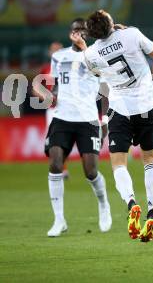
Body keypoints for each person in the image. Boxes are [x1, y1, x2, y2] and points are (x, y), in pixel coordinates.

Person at [70, 10, 153, 242]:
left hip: (120, 110)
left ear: (91, 33)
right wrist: (125, 32)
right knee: (150, 159)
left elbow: (95, 71)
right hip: (147, 105)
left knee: (118, 163)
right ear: (112, 23)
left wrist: (84, 47)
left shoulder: (90, 53)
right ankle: (152, 210)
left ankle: (131, 203)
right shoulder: (131, 34)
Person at [34, 18, 112, 237]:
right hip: (62, 118)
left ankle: (104, 204)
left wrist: (104, 119)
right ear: (70, 34)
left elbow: (105, 88)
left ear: (87, 34)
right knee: (56, 164)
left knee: (91, 171)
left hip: (87, 119)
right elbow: (55, 85)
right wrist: (48, 94)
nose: (79, 34)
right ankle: (59, 220)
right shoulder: (58, 57)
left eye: (82, 31)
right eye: (75, 31)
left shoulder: (96, 56)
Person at [33, 42, 70, 179]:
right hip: (52, 110)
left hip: (68, 108)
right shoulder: (45, 69)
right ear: (49, 53)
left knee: (66, 138)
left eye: (58, 50)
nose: (56, 52)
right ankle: (60, 168)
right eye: (53, 50)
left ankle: (61, 167)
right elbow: (35, 89)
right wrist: (46, 97)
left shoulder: (69, 67)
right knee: (54, 139)